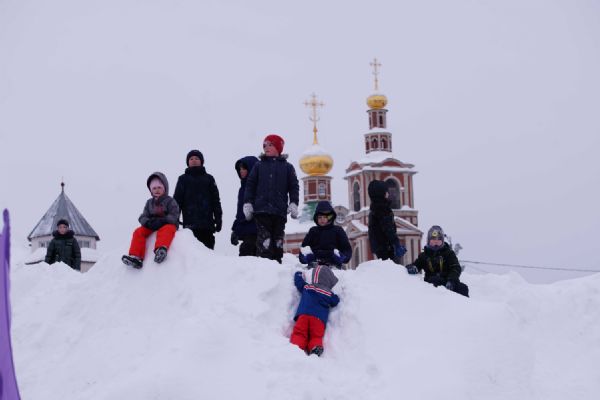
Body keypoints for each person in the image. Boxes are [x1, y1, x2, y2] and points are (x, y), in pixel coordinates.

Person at [243, 134, 300, 263]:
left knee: (278, 240)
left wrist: (293, 203)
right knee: (265, 240)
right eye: (264, 145)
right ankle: (265, 265)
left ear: (278, 148)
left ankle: (277, 265)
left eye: (270, 145)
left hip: (279, 212)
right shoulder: (258, 166)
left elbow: (293, 186)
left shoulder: (287, 167)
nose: (266, 148)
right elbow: (250, 185)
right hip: (261, 210)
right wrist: (248, 203)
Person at [122, 172, 179, 268]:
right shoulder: (149, 203)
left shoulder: (170, 201)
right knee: (138, 231)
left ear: (164, 188)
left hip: (167, 224)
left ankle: (161, 250)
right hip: (152, 224)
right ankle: (136, 257)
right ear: (151, 190)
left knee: (167, 229)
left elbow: (174, 215)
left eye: (159, 187)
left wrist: (163, 220)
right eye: (154, 188)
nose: (157, 190)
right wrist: (148, 222)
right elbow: (143, 216)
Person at [173, 150, 223, 250]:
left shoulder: (209, 179)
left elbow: (215, 200)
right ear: (188, 162)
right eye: (191, 159)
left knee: (208, 253)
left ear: (201, 161)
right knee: (192, 253)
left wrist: (218, 218)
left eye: (197, 158)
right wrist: (174, 220)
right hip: (189, 226)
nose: (194, 160)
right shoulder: (183, 179)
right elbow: (177, 202)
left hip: (207, 226)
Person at [405, 225, 469, 297]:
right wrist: (413, 267)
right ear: (428, 241)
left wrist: (451, 280)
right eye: (433, 240)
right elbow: (417, 265)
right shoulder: (424, 255)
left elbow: (455, 267)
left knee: (463, 288)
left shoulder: (449, 253)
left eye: (439, 240)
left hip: (447, 282)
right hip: (431, 283)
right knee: (435, 281)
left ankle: (463, 304)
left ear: (442, 241)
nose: (436, 242)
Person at [290, 265, 340, 357]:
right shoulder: (328, 293)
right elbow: (335, 301)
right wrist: (336, 296)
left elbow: (299, 283)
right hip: (318, 319)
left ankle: (296, 347)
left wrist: (298, 274)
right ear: (328, 280)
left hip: (303, 315)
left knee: (299, 333)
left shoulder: (307, 287)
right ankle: (315, 347)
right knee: (316, 336)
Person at [298, 200, 352, 269]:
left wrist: (341, 257)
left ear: (330, 217)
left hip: (333, 265)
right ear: (316, 218)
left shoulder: (338, 230)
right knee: (299, 274)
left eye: (324, 217)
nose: (322, 219)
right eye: (320, 217)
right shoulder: (313, 231)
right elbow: (304, 249)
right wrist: (305, 257)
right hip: (315, 265)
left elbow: (346, 249)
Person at [367, 180, 406, 263]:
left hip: (380, 247)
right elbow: (388, 229)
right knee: (391, 266)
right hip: (386, 247)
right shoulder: (383, 209)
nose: (388, 193)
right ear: (381, 193)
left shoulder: (374, 209)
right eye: (386, 191)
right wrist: (396, 244)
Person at [231, 156, 259, 256]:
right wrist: (235, 230)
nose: (241, 171)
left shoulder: (258, 187)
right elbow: (240, 212)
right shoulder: (242, 188)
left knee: (247, 255)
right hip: (246, 230)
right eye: (240, 169)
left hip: (255, 228)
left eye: (244, 168)